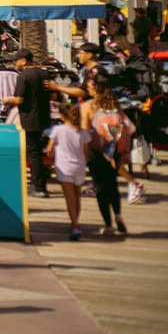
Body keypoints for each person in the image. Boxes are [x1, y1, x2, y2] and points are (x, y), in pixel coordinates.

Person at [2, 49, 53, 196]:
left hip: (30, 119)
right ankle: (38, 184)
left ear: (24, 61)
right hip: (44, 118)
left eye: (16, 60)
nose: (15, 63)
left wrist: (7, 99)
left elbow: (19, 99)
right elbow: (53, 94)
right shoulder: (45, 73)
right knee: (39, 152)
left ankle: (38, 187)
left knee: (33, 153)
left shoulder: (23, 76)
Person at [84, 78, 131, 236]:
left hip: (96, 153)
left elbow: (85, 133)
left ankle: (108, 224)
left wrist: (84, 154)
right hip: (114, 152)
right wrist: (125, 152)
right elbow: (130, 128)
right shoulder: (116, 108)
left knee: (100, 188)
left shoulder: (89, 107)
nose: (88, 90)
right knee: (112, 185)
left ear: (97, 91)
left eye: (90, 88)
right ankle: (118, 215)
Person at [47, 102, 93, 240]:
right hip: (79, 167)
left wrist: (52, 155)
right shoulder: (83, 132)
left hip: (64, 167)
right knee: (77, 196)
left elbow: (49, 150)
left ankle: (75, 226)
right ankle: (75, 222)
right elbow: (86, 152)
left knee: (69, 198)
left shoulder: (57, 130)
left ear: (62, 116)